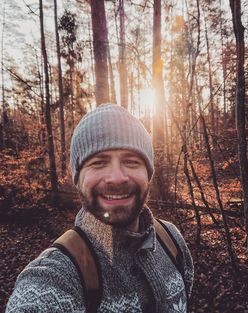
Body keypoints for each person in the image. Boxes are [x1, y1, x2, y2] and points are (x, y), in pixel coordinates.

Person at [6, 103, 194, 313]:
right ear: (78, 178)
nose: (117, 178)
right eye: (98, 162)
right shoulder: (56, 278)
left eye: (131, 161)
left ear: (148, 173)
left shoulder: (172, 240)